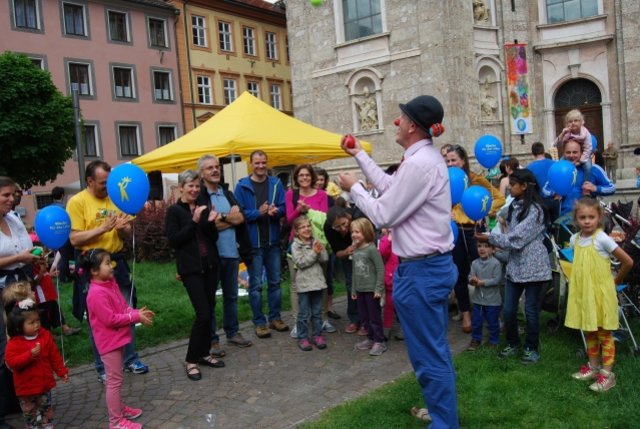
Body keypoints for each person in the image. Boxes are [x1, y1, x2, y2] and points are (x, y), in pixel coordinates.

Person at [337, 95, 459, 428]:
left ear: (412, 126)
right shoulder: (420, 160)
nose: (397, 121)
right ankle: (441, 412)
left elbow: (385, 212)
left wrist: (355, 189)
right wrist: (360, 154)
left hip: (422, 271)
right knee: (431, 351)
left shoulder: (420, 163)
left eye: (401, 117)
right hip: (423, 269)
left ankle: (444, 423)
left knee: (428, 355)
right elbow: (393, 188)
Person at [66, 161, 149, 382]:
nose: (108, 187)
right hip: (92, 267)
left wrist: (123, 230)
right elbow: (74, 239)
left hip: (116, 263)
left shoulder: (116, 195)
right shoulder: (77, 202)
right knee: (99, 318)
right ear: (90, 181)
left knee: (126, 310)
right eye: (103, 183)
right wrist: (103, 228)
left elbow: (125, 233)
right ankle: (103, 367)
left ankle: (130, 359)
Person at [476, 169, 551, 364]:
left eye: (513, 183)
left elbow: (517, 239)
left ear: (524, 186)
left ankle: (531, 348)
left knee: (530, 309)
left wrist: (489, 238)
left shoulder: (535, 210)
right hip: (515, 267)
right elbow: (506, 234)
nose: (509, 186)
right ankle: (513, 342)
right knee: (508, 309)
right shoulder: (513, 207)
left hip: (534, 268)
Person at [565, 198, 633, 392]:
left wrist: (615, 281)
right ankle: (594, 367)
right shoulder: (574, 240)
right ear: (576, 219)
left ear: (599, 218)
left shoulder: (602, 238)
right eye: (582, 217)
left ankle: (607, 374)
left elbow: (627, 261)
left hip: (601, 296)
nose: (587, 221)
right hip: (585, 296)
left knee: (604, 333)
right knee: (590, 331)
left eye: (591, 217)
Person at [165, 170, 225, 381]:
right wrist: (194, 220)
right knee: (203, 314)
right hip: (190, 270)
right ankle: (191, 360)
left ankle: (205, 353)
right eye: (190, 185)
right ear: (181, 187)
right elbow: (174, 240)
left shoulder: (203, 206)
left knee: (209, 311)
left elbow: (212, 237)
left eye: (197, 186)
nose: (194, 190)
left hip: (210, 265)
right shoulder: (174, 211)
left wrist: (210, 221)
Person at [84, 249, 154, 429]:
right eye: (107, 263)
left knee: (117, 379)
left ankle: (119, 408)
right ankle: (115, 422)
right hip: (109, 344)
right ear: (94, 271)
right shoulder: (96, 293)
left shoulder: (110, 284)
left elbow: (123, 308)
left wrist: (138, 313)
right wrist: (134, 318)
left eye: (110, 262)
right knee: (113, 382)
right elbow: (111, 319)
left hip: (118, 339)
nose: (112, 265)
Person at [197, 155, 253, 355]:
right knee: (210, 299)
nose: (214, 170)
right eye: (209, 168)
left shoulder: (227, 193)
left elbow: (241, 218)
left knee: (231, 296)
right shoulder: (201, 197)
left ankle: (233, 332)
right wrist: (229, 217)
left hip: (231, 253)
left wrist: (221, 218)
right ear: (202, 173)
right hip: (211, 256)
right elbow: (206, 227)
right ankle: (212, 340)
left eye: (216, 167)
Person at [446, 145, 505, 333]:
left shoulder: (476, 180)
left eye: (453, 160)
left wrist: (484, 210)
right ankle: (466, 313)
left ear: (463, 160)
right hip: (455, 231)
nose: (450, 164)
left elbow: (499, 198)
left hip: (474, 231)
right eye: (447, 161)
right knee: (460, 274)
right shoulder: (445, 181)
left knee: (485, 269)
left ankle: (491, 311)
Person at [0, 176, 42, 429]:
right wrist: (20, 257)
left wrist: (35, 257)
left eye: (13, 194)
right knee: (3, 345)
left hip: (20, 285)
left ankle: (17, 398)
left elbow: (26, 247)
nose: (11, 199)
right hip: (1, 287)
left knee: (22, 339)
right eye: (5, 195)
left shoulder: (14, 219)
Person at [234, 150, 289, 339]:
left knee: (275, 283)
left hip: (272, 242)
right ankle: (259, 322)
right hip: (254, 243)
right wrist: (258, 212)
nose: (260, 166)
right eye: (257, 163)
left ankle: (275, 318)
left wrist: (277, 211)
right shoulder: (242, 186)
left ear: (267, 163)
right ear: (251, 164)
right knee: (255, 286)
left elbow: (284, 208)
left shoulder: (276, 183)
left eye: (263, 162)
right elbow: (238, 215)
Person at [4, 290, 68, 429]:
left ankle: (48, 425)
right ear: (18, 326)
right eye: (31, 323)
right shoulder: (14, 342)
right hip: (26, 388)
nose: (36, 325)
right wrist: (29, 355)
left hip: (44, 383)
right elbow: (11, 362)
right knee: (30, 414)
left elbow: (54, 355)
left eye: (38, 320)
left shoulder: (44, 335)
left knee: (47, 408)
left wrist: (61, 371)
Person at [284, 164, 334, 338]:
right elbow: (289, 220)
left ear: (312, 177)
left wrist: (309, 210)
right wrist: (298, 210)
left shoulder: (321, 195)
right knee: (295, 284)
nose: (304, 178)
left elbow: (325, 219)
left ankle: (323, 318)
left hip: (317, 243)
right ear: (296, 178)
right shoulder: (291, 194)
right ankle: (299, 321)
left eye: (307, 175)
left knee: (322, 281)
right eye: (301, 175)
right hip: (297, 244)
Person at [542, 140, 615, 216]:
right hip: (564, 220)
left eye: (575, 152)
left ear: (581, 153)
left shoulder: (594, 169)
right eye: (568, 152)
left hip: (587, 220)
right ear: (564, 153)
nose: (571, 155)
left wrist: (595, 188)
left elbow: (612, 188)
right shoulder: (558, 170)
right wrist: (554, 193)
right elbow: (545, 190)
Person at [290, 215, 328, 351]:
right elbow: (301, 263)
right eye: (302, 227)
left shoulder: (315, 241)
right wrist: (313, 252)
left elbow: (324, 259)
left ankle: (317, 335)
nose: (307, 229)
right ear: (297, 231)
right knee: (304, 313)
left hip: (317, 282)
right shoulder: (296, 246)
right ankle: (303, 337)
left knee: (317, 312)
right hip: (305, 285)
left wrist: (320, 250)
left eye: (308, 226)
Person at [350, 218, 386, 356]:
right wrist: (353, 289)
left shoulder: (372, 250)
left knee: (374, 316)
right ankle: (370, 338)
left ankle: (379, 341)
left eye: (357, 231)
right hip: (360, 290)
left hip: (372, 290)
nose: (354, 234)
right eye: (352, 232)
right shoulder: (356, 251)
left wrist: (378, 288)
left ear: (365, 232)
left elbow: (380, 269)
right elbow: (354, 272)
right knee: (364, 316)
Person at [323, 206, 361, 333]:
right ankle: (354, 319)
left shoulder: (358, 216)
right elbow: (337, 253)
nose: (343, 229)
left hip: (365, 251)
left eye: (344, 224)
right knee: (351, 284)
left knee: (369, 285)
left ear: (348, 216)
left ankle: (369, 319)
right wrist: (347, 251)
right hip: (347, 254)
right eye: (337, 227)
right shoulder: (328, 227)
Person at [466, 241, 503, 351]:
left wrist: (482, 282)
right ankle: (476, 340)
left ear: (493, 249)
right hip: (478, 301)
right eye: (479, 246)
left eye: (486, 246)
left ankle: (493, 341)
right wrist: (472, 280)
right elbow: (470, 277)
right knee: (476, 322)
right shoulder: (474, 263)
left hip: (493, 301)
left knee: (493, 323)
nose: (482, 249)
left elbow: (496, 280)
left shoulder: (496, 263)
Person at [314, 168, 339, 320]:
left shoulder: (329, 199)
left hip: (328, 243)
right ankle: (317, 309)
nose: (318, 182)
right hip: (313, 242)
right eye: (316, 179)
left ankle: (329, 306)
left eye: (321, 179)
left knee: (328, 276)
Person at [553, 109, 593, 182]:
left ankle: (586, 183)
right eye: (570, 121)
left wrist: (580, 161)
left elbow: (588, 148)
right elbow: (556, 144)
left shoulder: (586, 133)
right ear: (567, 124)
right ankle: (560, 181)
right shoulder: (567, 132)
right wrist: (562, 134)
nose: (573, 123)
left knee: (588, 167)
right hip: (569, 154)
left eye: (576, 120)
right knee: (559, 165)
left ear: (581, 122)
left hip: (584, 154)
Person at [378, 228, 400, 340]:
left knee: (404, 305)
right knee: (389, 305)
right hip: (391, 279)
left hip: (404, 277)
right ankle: (387, 327)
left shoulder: (404, 238)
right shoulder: (385, 240)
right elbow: (382, 252)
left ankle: (404, 327)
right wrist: (389, 239)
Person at [49, 186, 74, 282]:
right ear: (62, 195)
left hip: (52, 236)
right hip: (64, 236)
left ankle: (59, 274)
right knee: (67, 257)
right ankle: (66, 276)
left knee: (59, 256)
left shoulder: (48, 209)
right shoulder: (64, 208)